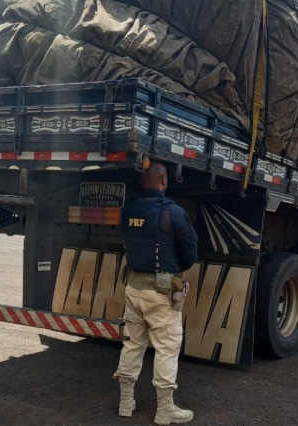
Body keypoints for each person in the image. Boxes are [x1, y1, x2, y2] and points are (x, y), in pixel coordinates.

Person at [113, 160, 198, 425]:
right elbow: (190, 253)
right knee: (166, 347)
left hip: (133, 289)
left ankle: (125, 403)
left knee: (132, 344)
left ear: (142, 183)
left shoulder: (127, 211)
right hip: (160, 294)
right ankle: (164, 409)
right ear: (164, 181)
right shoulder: (172, 212)